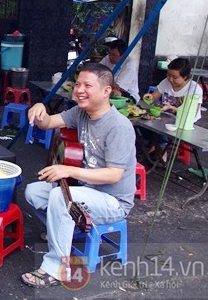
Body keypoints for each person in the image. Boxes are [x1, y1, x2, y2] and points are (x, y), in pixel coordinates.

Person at [21, 63, 136, 288]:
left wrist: (69, 170)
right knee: (33, 191)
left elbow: (114, 175)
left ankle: (55, 268)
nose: (79, 90)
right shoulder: (81, 113)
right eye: (78, 84)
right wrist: (39, 108)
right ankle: (65, 232)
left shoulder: (119, 127)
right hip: (86, 190)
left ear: (106, 91)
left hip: (112, 201)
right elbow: (49, 123)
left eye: (87, 86)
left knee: (59, 198)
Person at [143, 57, 203, 122]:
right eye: (168, 75)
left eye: (175, 77)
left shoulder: (194, 89)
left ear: (185, 76)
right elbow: (154, 96)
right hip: (165, 119)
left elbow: (192, 113)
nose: (170, 79)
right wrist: (149, 98)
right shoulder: (166, 82)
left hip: (186, 122)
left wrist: (173, 109)